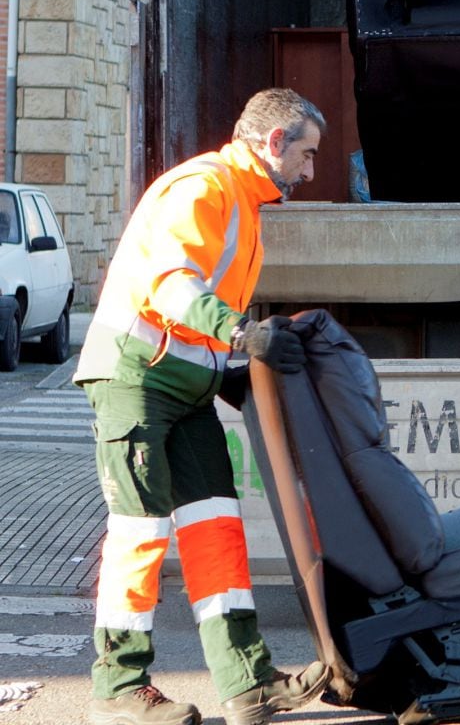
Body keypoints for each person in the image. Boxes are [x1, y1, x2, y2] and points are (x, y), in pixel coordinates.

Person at [74, 88, 331, 725]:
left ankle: (246, 682)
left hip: (181, 385)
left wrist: (228, 366)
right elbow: (170, 284)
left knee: (216, 526)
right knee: (140, 533)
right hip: (135, 378)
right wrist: (241, 335)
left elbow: (195, 312)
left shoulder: (242, 201)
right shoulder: (202, 188)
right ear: (274, 143)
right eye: (307, 152)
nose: (311, 168)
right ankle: (120, 686)